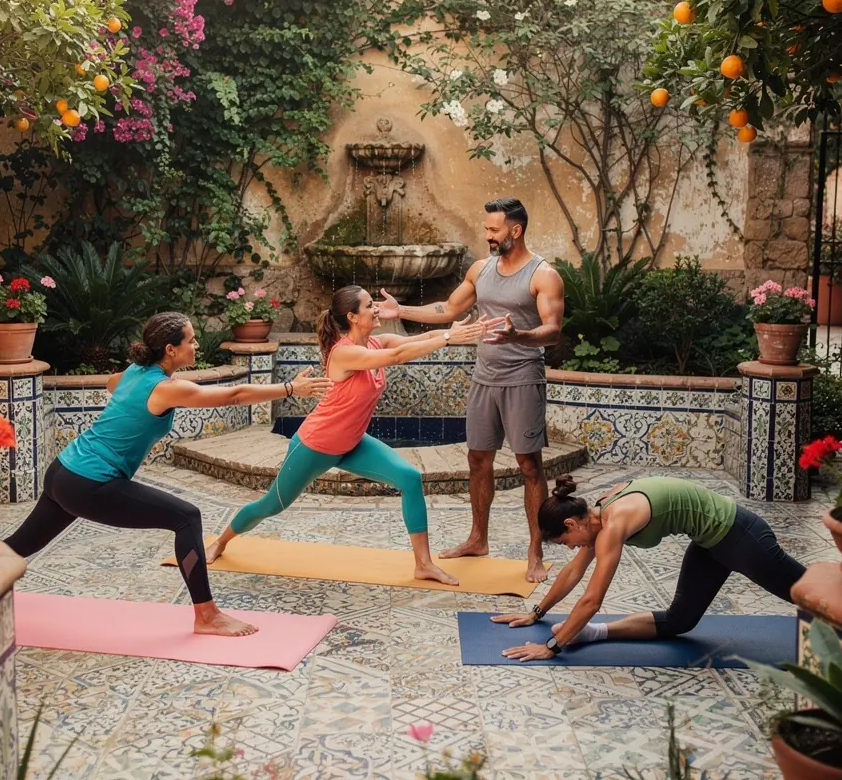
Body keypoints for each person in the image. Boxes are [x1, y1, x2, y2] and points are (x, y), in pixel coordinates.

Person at [5, 311, 331, 637]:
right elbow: (235, 395)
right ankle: (207, 616)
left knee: (19, 545)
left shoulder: (136, 371)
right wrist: (290, 388)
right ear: (171, 349)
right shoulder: (163, 388)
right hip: (90, 482)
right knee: (186, 517)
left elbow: (110, 383)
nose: (197, 344)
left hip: (62, 472)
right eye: (191, 340)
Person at [209, 285, 502, 585]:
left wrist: (456, 331)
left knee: (410, 478)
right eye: (368, 306)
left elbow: (414, 342)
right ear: (351, 316)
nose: (376, 308)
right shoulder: (345, 354)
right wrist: (449, 337)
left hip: (351, 443)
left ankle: (423, 564)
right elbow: (399, 356)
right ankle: (221, 541)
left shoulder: (376, 343)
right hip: (314, 445)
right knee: (272, 505)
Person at [376, 197, 563, 582]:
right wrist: (403, 312)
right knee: (478, 460)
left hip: (523, 378)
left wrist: (520, 335)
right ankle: (478, 538)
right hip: (484, 377)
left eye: (494, 230)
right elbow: (448, 309)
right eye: (487, 229)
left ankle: (535, 551)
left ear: (516, 230)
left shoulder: (543, 275)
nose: (487, 236)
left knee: (530, 466)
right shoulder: (481, 269)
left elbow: (553, 329)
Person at [493, 474, 807, 661]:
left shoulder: (613, 525)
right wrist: (537, 613)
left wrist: (551, 647)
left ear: (571, 523)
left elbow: (592, 599)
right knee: (679, 621)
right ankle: (594, 634)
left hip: (741, 536)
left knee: (807, 592)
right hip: (709, 545)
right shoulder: (597, 513)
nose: (573, 548)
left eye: (566, 541)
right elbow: (574, 572)